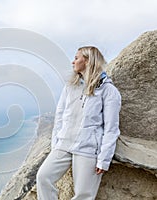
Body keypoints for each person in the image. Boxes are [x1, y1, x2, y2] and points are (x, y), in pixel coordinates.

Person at [36, 46, 121, 200]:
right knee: (43, 177)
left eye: (76, 58)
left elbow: (111, 129)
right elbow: (60, 116)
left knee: (83, 194)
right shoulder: (70, 87)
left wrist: (103, 159)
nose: (72, 62)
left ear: (87, 61)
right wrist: (56, 144)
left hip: (88, 149)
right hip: (64, 145)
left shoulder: (108, 91)